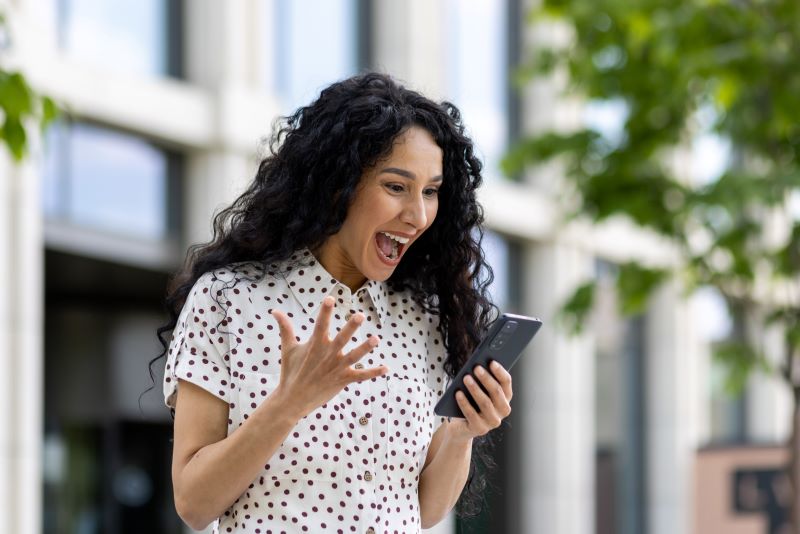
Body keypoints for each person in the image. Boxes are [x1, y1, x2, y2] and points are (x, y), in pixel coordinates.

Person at [157, 72, 513, 534]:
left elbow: (421, 511)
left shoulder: (420, 320)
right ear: (337, 185)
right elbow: (193, 502)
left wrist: (463, 432)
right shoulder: (228, 301)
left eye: (430, 191)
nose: (419, 215)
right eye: (396, 187)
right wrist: (289, 403)